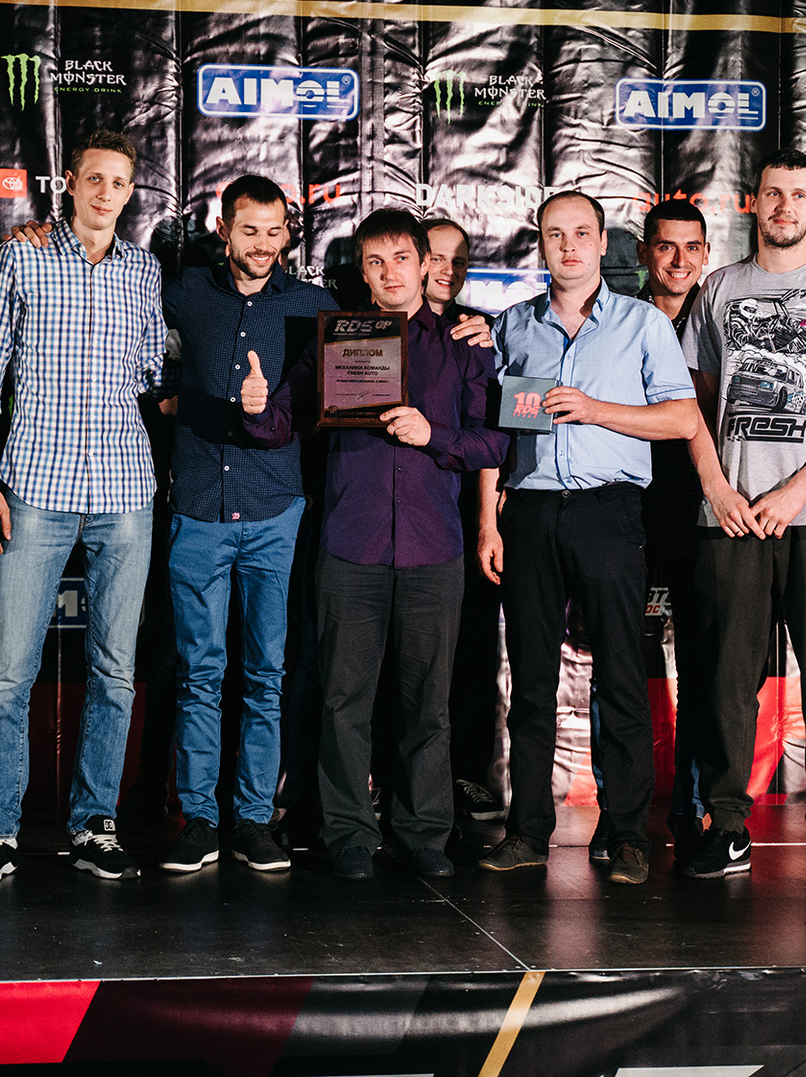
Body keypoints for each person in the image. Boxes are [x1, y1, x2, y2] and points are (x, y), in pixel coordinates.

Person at [241, 211, 508, 879]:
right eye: (374, 262)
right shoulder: (340, 339)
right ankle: (349, 833)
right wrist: (256, 407)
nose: (389, 273)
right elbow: (283, 421)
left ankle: (424, 832)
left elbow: (495, 442)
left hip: (433, 548)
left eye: (401, 259)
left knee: (428, 704)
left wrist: (433, 434)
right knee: (342, 700)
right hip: (349, 544)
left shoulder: (464, 344)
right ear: (361, 271)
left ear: (426, 264)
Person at [0, 129, 167, 885]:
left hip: (124, 489)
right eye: (95, 179)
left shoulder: (144, 270)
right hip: (36, 487)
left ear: (130, 193)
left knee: (114, 672)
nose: (108, 192)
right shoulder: (22, 257)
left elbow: (150, 368)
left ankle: (94, 824)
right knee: (9, 674)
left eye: (120, 182)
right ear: (69, 184)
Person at [474, 190, 700, 885]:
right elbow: (496, 433)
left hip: (609, 510)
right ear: (540, 243)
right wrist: (488, 520)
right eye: (555, 234)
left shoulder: (641, 324)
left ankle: (628, 834)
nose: (568, 245)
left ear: (604, 244)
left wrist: (597, 409)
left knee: (622, 678)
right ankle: (526, 831)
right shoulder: (512, 326)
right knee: (531, 681)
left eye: (581, 233)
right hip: (532, 512)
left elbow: (683, 420)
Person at [680, 150, 806, 885]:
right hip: (733, 516)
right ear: (755, 201)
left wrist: (797, 491)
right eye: (773, 193)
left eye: (798, 195)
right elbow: (692, 407)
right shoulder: (718, 289)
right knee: (727, 681)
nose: (784, 206)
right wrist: (719, 489)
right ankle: (726, 826)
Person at [161, 176, 339, 873]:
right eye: (249, 230)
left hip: (275, 511)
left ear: (288, 233)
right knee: (199, 675)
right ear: (223, 230)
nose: (263, 244)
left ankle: (255, 819)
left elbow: (367, 372)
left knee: (267, 674)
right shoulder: (183, 293)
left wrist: (469, 326)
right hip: (199, 508)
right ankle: (200, 819)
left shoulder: (314, 308)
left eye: (274, 230)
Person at [634, 199, 713, 862]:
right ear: (643, 253)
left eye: (692, 247)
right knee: (619, 669)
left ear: (707, 254)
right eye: (666, 246)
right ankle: (623, 820)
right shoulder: (615, 320)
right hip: (627, 512)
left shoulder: (725, 322)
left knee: (702, 669)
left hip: (703, 514)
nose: (679, 260)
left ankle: (690, 812)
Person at [422, 218, 506, 824]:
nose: (447, 270)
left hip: (463, 512)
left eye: (459, 259)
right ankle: (390, 775)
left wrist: (486, 520)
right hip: (398, 513)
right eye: (435, 256)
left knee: (472, 647)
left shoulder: (481, 332)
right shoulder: (371, 328)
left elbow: (494, 436)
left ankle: (468, 775)